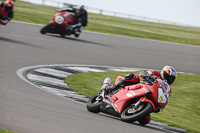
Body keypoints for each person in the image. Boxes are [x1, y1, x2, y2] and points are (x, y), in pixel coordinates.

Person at [101, 66, 177, 125]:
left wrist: (159, 106)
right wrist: (147, 75)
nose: (169, 79)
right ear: (163, 73)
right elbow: (144, 73)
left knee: (145, 120)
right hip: (140, 86)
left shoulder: (168, 89)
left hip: (149, 95)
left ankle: (130, 109)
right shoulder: (155, 73)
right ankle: (111, 88)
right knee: (133, 77)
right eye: (168, 76)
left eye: (171, 79)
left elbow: (166, 97)